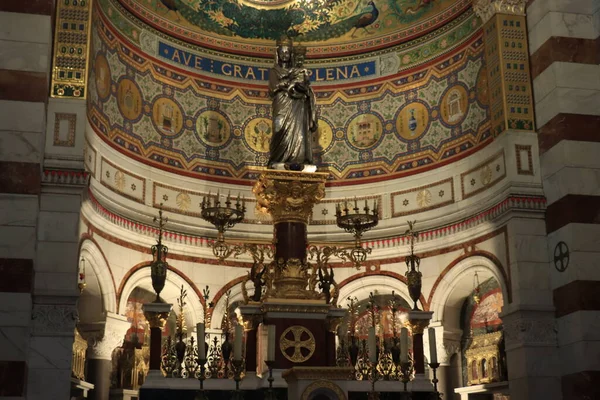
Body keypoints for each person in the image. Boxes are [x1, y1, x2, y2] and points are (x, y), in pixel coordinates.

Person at [268, 37, 318, 169]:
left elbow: (305, 87)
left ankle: (298, 158)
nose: (285, 55)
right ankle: (278, 157)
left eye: (287, 52)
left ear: (291, 55)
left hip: (296, 104)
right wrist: (287, 84)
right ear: (277, 54)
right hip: (281, 103)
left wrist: (302, 87)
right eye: (282, 52)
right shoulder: (274, 71)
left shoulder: (298, 71)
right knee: (279, 129)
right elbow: (273, 88)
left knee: (299, 130)